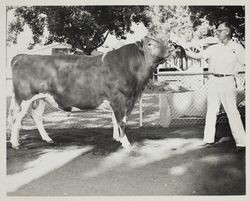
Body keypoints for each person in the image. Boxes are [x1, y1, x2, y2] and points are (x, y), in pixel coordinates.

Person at [185, 22, 246, 152]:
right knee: (211, 111)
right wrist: (184, 49)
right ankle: (208, 140)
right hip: (213, 80)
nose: (217, 33)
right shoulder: (214, 48)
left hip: (228, 81)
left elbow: (246, 62)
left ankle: (242, 143)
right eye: (217, 31)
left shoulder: (237, 47)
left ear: (227, 31)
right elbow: (197, 56)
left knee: (233, 112)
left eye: (219, 31)